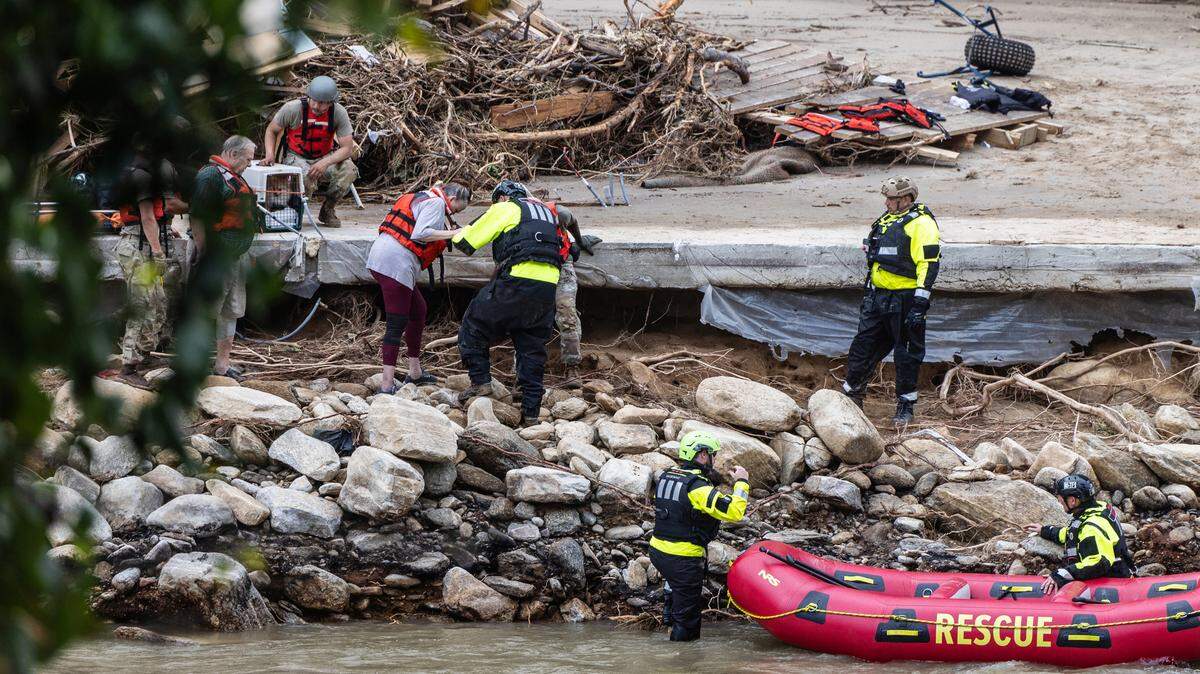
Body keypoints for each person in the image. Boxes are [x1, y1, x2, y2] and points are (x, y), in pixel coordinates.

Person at [452, 180, 570, 425]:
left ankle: (481, 382)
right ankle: (531, 413)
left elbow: (465, 242)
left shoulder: (506, 207)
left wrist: (453, 231)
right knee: (532, 346)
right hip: (548, 287)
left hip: (517, 281)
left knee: (474, 324)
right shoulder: (547, 213)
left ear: (502, 197)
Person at [840, 176, 941, 425]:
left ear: (906, 199)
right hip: (877, 297)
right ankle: (852, 396)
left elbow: (928, 264)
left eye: (891, 199)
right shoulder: (885, 220)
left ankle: (905, 406)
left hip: (905, 299)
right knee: (863, 347)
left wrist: (920, 302)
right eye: (886, 198)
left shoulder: (922, 224)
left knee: (906, 354)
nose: (886, 202)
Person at [367, 182, 472, 393]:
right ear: (451, 200)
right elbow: (420, 234)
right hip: (395, 264)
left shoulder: (423, 196)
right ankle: (387, 384)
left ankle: (414, 373)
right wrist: (455, 233)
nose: (455, 212)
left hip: (381, 258)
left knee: (418, 310)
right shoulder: (435, 203)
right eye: (459, 208)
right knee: (396, 324)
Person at [649, 430, 751, 642]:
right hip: (683, 559)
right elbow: (734, 512)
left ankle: (669, 622)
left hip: (658, 552)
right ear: (703, 455)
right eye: (712, 454)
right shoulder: (697, 488)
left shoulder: (667, 476)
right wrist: (742, 482)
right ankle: (682, 658)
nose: (714, 459)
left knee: (675, 596)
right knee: (688, 624)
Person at [112, 147, 189, 381]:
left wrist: (165, 230)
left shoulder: (152, 173)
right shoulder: (141, 177)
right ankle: (128, 365)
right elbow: (146, 217)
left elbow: (157, 216)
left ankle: (143, 353)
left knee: (158, 302)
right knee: (142, 303)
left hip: (148, 241)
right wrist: (157, 252)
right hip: (137, 247)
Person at [190, 135, 263, 380]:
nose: (249, 165)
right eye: (248, 160)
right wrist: (203, 251)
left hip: (236, 256)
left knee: (230, 311)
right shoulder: (210, 175)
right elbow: (198, 216)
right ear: (233, 154)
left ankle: (222, 365)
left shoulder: (233, 175)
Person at [260, 76, 357, 227]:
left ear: (331, 103)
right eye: (314, 100)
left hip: (325, 156)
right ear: (308, 96)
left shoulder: (338, 113)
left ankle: (328, 210)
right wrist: (270, 154)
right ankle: (296, 212)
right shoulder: (293, 109)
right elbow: (271, 130)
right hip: (296, 156)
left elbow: (347, 148)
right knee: (306, 177)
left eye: (323, 103)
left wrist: (325, 162)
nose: (317, 106)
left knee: (349, 169)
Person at [1028, 474, 1135, 594]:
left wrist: (1062, 574)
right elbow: (1073, 534)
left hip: (1112, 582)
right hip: (1117, 570)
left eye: (1061, 498)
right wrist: (1045, 531)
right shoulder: (1099, 507)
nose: (1059, 500)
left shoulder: (1091, 528)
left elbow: (1098, 564)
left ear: (1073, 501)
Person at [549, 204, 601, 379]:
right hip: (532, 267)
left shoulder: (555, 213)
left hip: (562, 263)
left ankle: (572, 366)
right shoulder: (511, 218)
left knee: (567, 312)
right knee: (526, 317)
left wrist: (579, 241)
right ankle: (521, 372)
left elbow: (570, 218)